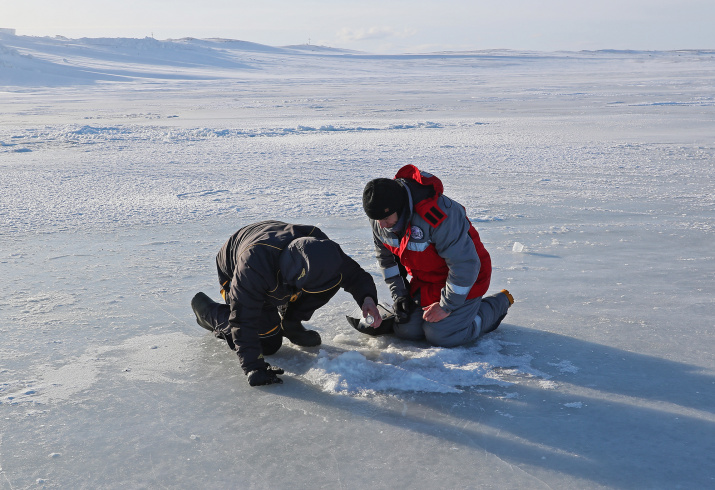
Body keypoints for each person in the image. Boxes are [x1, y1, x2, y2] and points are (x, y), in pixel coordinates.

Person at [191, 220, 382, 387]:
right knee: (268, 344)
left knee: (330, 281)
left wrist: (367, 299)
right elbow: (243, 318)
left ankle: (291, 322)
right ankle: (209, 311)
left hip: (278, 260)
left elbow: (355, 275)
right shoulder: (252, 266)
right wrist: (253, 366)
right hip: (234, 268)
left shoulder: (323, 249)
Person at [362, 164, 514, 347]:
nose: (382, 225)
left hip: (467, 279)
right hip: (427, 280)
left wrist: (446, 306)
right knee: (407, 330)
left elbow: (465, 265)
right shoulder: (380, 218)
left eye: (386, 219)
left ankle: (496, 305)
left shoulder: (438, 217)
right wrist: (400, 296)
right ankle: (454, 315)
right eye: (377, 220)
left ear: (400, 207)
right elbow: (388, 262)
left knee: (443, 335)